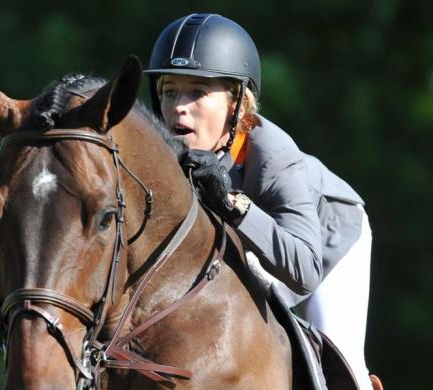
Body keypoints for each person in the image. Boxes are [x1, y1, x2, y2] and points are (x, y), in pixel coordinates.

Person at [144, 13, 383, 390]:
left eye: (197, 92)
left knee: (341, 367)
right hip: (260, 247)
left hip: (328, 238)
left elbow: (304, 270)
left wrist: (231, 204)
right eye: (170, 91)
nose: (178, 107)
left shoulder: (274, 156)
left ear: (238, 102)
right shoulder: (163, 160)